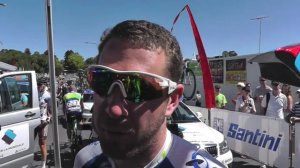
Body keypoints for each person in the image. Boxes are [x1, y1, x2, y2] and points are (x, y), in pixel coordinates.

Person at [74, 20, 225, 168]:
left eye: (137, 88)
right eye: (102, 81)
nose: (114, 109)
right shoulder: (84, 160)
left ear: (172, 100)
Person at [34, 80, 51, 168]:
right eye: (37, 84)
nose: (38, 86)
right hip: (33, 120)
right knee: (30, 141)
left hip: (43, 121)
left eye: (40, 85)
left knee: (42, 143)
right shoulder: (35, 93)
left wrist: (48, 119)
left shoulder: (47, 95)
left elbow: (51, 109)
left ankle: (43, 164)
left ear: (44, 85)